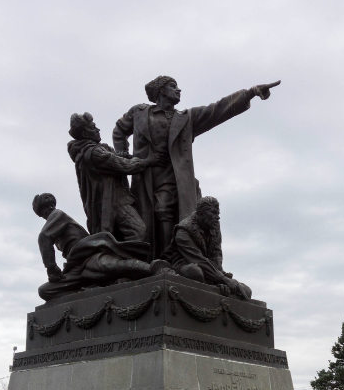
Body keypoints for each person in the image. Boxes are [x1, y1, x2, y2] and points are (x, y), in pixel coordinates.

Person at [112, 75, 280, 258]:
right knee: (145, 223)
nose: (179, 90)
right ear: (161, 91)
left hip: (175, 177)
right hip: (145, 176)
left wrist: (250, 93)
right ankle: (152, 259)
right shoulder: (139, 112)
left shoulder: (186, 118)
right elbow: (120, 130)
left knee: (165, 210)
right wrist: (123, 155)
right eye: (173, 86)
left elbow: (216, 110)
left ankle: (170, 257)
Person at [32, 193, 154, 301]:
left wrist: (51, 268)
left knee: (110, 265)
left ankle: (153, 268)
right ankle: (87, 293)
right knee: (45, 291)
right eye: (44, 211)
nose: (47, 211)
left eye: (47, 208)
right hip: (75, 266)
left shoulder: (57, 214)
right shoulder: (52, 223)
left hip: (86, 255)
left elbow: (44, 237)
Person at [67, 112, 152, 238]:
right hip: (113, 201)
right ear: (85, 134)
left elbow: (115, 157)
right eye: (93, 127)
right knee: (138, 232)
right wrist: (149, 160)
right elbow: (125, 166)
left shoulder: (94, 149)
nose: (97, 129)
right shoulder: (93, 153)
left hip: (109, 202)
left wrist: (126, 155)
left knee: (120, 237)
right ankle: (128, 258)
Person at [162, 196, 251, 299]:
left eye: (218, 213)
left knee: (247, 291)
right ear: (200, 213)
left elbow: (216, 255)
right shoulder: (183, 230)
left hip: (211, 270)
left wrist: (221, 278)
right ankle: (214, 287)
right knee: (195, 272)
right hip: (185, 265)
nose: (217, 217)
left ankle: (215, 287)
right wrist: (222, 279)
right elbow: (197, 259)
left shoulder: (215, 225)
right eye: (213, 213)